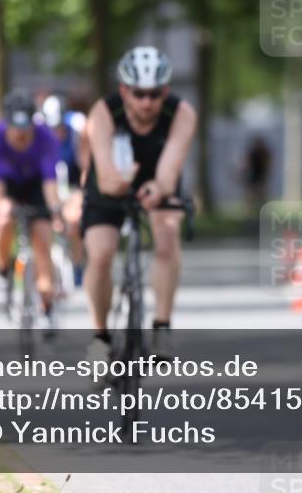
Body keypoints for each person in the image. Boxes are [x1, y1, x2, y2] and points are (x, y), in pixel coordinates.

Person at [82, 46, 197, 364]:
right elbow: (106, 177)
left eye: (155, 94)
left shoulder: (182, 114)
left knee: (167, 234)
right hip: (109, 180)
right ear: (124, 91)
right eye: (139, 94)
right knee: (101, 254)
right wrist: (120, 183)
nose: (147, 102)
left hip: (156, 179)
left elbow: (169, 170)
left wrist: (158, 188)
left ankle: (162, 326)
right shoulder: (103, 113)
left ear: (165, 92)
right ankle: (100, 337)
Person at [0, 89, 64, 331]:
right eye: (15, 129)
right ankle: (2, 274)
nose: (20, 135)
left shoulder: (46, 138)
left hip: (37, 187)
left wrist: (57, 214)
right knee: (4, 217)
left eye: (25, 130)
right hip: (10, 187)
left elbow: (50, 183)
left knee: (43, 241)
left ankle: (47, 306)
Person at [41, 94, 88, 288]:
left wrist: (79, 196)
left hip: (72, 184)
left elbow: (85, 168)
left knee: (74, 221)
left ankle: (78, 265)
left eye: (59, 127)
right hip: (48, 185)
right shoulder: (39, 134)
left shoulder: (77, 130)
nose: (56, 132)